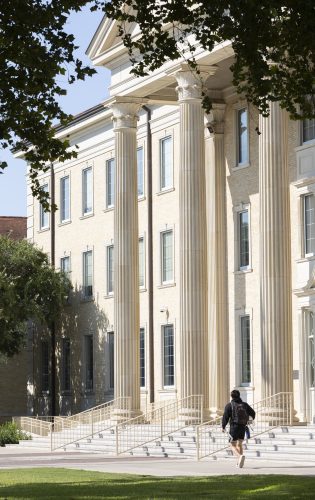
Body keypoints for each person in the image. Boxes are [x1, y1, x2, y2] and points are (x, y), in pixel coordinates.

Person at [222, 389, 255, 468]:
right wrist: (250, 420)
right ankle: (239, 463)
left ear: (231, 396)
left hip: (234, 426)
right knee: (239, 444)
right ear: (239, 395)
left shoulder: (229, 405)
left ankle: (240, 456)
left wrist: (223, 426)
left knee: (232, 444)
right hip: (243, 426)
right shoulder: (245, 405)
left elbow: (225, 417)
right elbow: (253, 413)